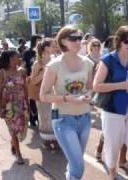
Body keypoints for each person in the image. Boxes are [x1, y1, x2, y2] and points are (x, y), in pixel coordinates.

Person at [93, 25, 128, 180]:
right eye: (126, 41)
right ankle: (112, 174)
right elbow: (96, 86)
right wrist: (121, 85)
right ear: (119, 42)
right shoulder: (108, 60)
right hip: (113, 110)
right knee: (112, 146)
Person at [40, 26, 94, 180]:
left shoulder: (88, 63)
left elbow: (90, 87)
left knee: (74, 162)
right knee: (78, 166)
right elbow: (43, 95)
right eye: (73, 38)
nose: (78, 41)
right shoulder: (54, 65)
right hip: (64, 119)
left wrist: (89, 96)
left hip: (84, 118)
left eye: (79, 37)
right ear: (63, 41)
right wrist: (67, 98)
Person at [0, 50, 29, 165]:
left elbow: (25, 89)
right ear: (10, 59)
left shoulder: (22, 72)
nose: (19, 59)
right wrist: (0, 108)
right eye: (17, 57)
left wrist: (28, 105)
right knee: (13, 131)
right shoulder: (2, 72)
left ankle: (13, 143)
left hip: (21, 105)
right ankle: (19, 155)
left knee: (21, 128)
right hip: (8, 107)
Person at [29, 38, 57, 149]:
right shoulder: (37, 63)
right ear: (45, 48)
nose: (55, 47)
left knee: (55, 117)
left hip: (55, 95)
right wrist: (44, 72)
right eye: (53, 45)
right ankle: (46, 140)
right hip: (43, 96)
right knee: (45, 118)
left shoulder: (56, 59)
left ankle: (56, 139)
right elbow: (32, 81)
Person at [23, 35, 42, 127]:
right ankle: (32, 118)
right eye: (39, 40)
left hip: (42, 80)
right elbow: (24, 65)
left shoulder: (42, 52)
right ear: (34, 41)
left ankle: (39, 118)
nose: (40, 42)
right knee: (32, 100)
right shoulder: (27, 52)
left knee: (41, 99)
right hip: (31, 79)